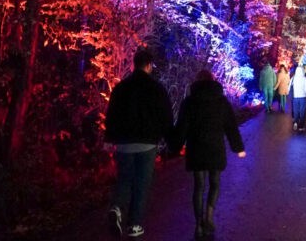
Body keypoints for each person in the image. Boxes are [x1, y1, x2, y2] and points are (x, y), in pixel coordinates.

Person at [105, 46, 174, 239]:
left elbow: (112, 113)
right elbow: (165, 116)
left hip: (124, 143)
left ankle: (117, 207)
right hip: (147, 143)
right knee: (142, 183)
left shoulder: (121, 87)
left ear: (134, 64)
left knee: (125, 178)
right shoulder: (156, 88)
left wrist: (109, 138)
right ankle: (134, 224)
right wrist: (170, 140)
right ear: (149, 65)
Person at [173, 69, 246, 237]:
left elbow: (182, 127)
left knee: (198, 186)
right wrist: (238, 147)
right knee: (215, 183)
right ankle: (209, 216)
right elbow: (231, 127)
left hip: (196, 148)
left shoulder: (189, 102)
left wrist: (174, 146)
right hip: (215, 148)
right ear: (213, 81)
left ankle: (198, 224)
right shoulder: (221, 102)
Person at [290, 63, 306, 132]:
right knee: (302, 111)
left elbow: (289, 87)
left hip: (295, 97)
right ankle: (301, 126)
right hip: (303, 97)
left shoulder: (293, 78)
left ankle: (295, 122)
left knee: (295, 110)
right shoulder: (305, 79)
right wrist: (305, 92)